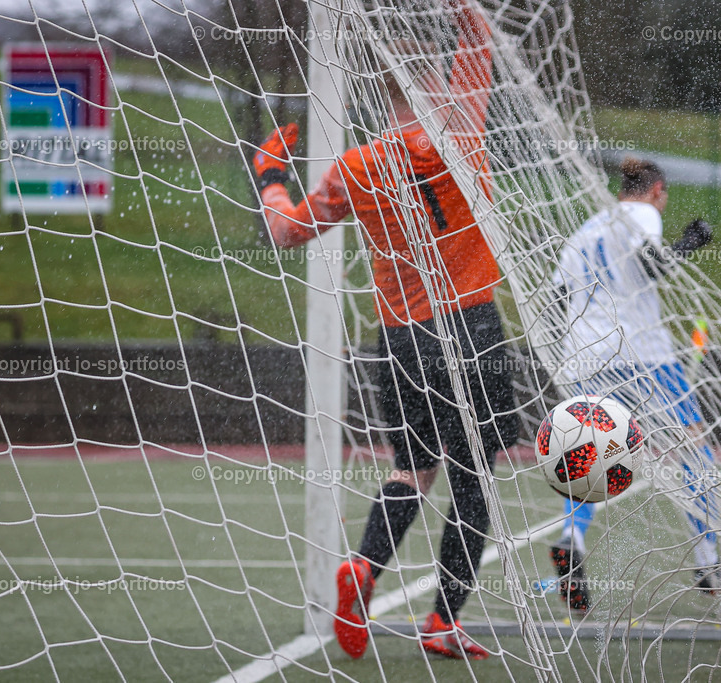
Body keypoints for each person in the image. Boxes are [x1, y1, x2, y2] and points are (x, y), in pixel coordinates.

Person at [253, 0, 517, 660]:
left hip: (400, 338)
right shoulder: (459, 132)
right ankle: (443, 620)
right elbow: (477, 40)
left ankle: (364, 567)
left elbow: (285, 233)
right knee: (474, 478)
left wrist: (270, 178)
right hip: (471, 326)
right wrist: (462, 10)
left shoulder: (356, 167)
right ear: (431, 87)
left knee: (411, 466)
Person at [549, 157, 721, 611]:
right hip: (642, 353)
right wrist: (691, 241)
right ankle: (708, 560)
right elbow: (652, 265)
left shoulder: (587, 229)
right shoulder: (643, 214)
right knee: (692, 444)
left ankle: (572, 536)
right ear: (657, 191)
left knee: (591, 452)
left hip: (585, 355)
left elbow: (555, 297)